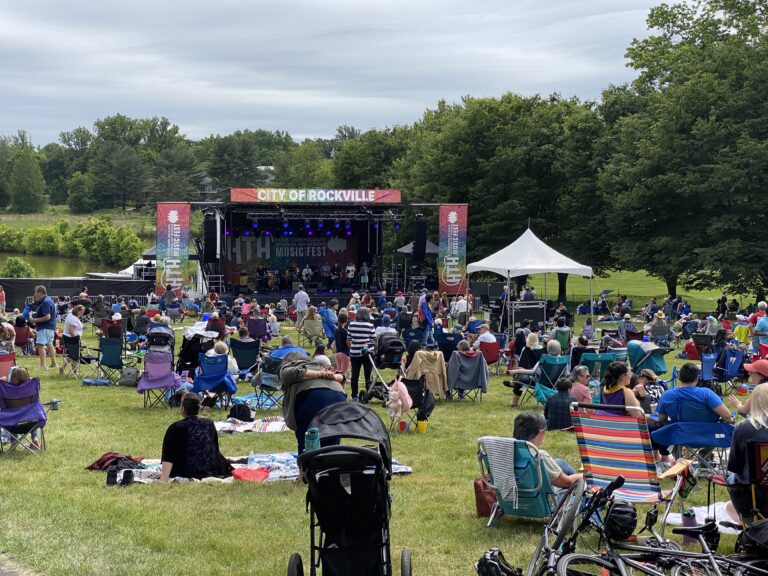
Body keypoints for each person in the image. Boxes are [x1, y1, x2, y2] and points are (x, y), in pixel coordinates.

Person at [279, 352, 346, 453]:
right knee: (332, 435)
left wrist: (320, 374)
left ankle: (307, 465)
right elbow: (342, 377)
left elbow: (289, 372)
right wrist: (325, 375)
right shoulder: (319, 367)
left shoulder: (288, 368)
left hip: (312, 398)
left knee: (307, 437)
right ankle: (332, 462)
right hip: (338, 397)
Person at [159, 393, 233, 482]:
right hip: (208, 468)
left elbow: (168, 455)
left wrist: (163, 478)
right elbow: (214, 449)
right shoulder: (209, 423)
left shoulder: (175, 427)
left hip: (184, 471)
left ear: (182, 409)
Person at [726, 384, 768, 521]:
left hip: (753, 495)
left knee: (731, 477)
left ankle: (749, 522)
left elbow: (734, 466)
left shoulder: (744, 428)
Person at [513, 413, 582, 489]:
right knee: (580, 483)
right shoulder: (539, 457)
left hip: (514, 497)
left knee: (560, 463)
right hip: (542, 498)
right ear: (541, 432)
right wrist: (586, 475)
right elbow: (567, 483)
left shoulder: (507, 452)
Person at [656, 363, 734, 424]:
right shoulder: (706, 393)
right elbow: (727, 416)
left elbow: (661, 419)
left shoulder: (667, 395)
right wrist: (732, 420)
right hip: (707, 434)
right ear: (697, 379)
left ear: (680, 378)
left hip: (680, 434)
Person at [505, 332, 545, 406]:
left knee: (519, 376)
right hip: (539, 375)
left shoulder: (525, 349)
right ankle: (514, 383)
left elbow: (521, 362)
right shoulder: (542, 350)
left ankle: (514, 400)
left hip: (530, 374)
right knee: (520, 376)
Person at [347, 307, 375, 402]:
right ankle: (369, 394)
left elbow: (349, 339)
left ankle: (354, 395)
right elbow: (373, 341)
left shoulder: (351, 324)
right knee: (368, 375)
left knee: (355, 375)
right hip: (367, 353)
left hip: (354, 353)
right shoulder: (370, 326)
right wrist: (366, 345)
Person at [29, 285, 58, 370]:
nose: (35, 294)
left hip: (45, 327)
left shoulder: (45, 302)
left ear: (40, 292)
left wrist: (35, 320)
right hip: (50, 326)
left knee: (40, 344)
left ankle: (43, 365)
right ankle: (53, 363)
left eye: (35, 292)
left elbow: (47, 316)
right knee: (49, 344)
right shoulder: (48, 300)